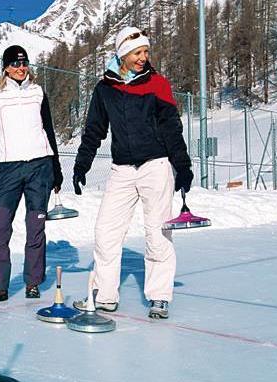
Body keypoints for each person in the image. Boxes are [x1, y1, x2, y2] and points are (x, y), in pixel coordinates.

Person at [72, 27, 193, 319]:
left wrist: (183, 165)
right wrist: (81, 164)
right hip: (122, 169)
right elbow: (94, 131)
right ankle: (106, 295)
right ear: (122, 54)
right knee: (106, 232)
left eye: (146, 52)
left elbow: (171, 128)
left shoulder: (158, 84)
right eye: (138, 53)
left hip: (156, 165)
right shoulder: (104, 89)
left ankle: (160, 296)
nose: (144, 57)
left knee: (157, 232)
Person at [0, 45, 64, 304]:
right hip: (10, 169)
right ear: (5, 67)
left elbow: (49, 129)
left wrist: (57, 167)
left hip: (40, 166)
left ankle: (32, 283)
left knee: (35, 227)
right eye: (15, 64)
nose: (21, 67)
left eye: (24, 62)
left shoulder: (38, 92)